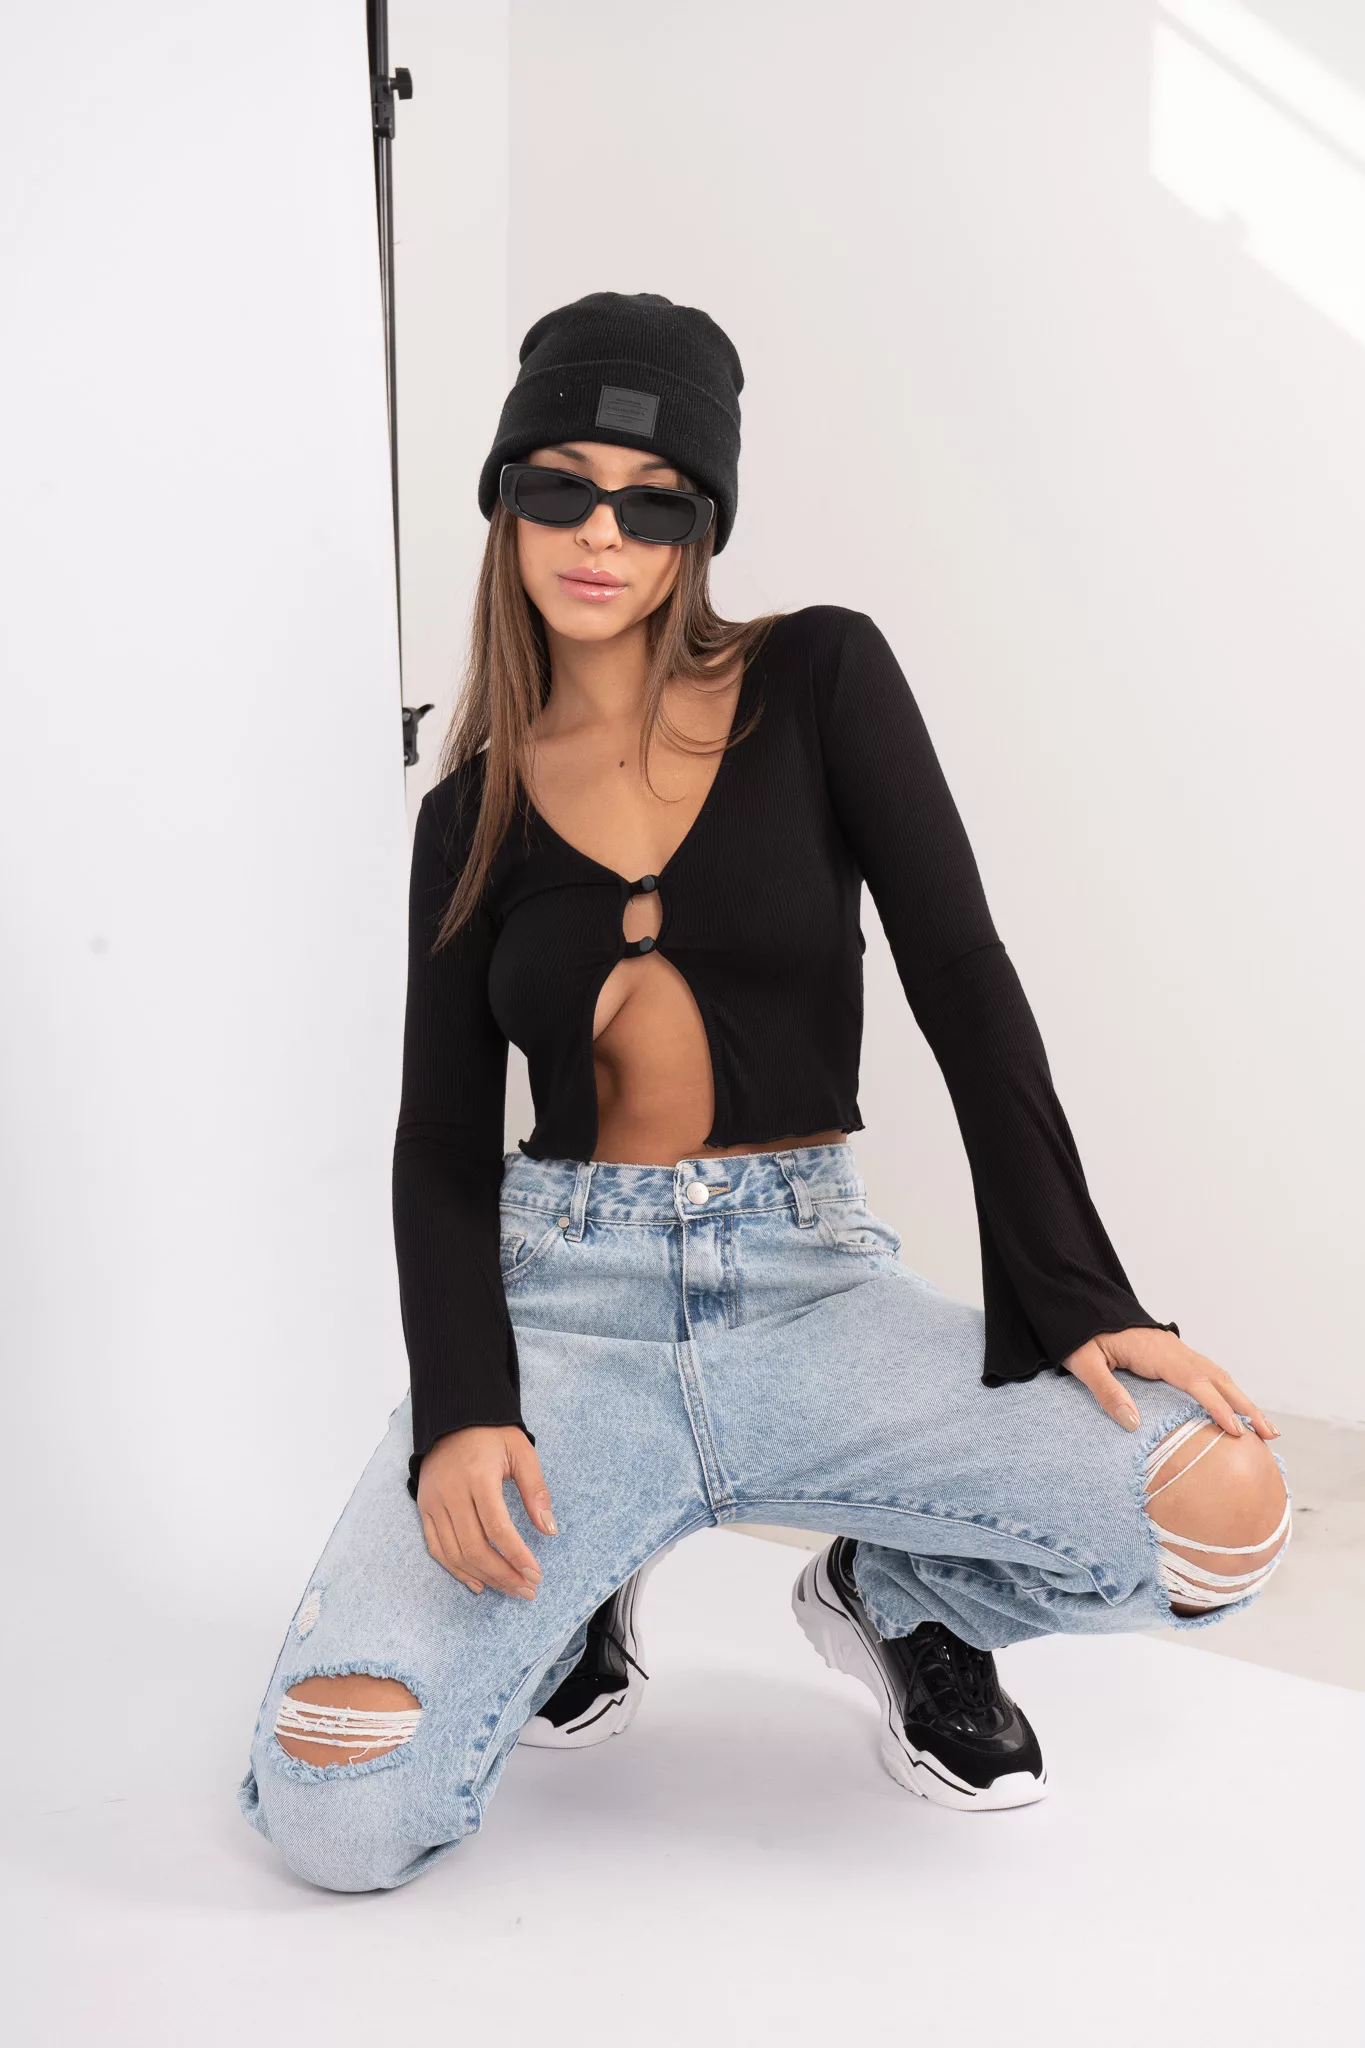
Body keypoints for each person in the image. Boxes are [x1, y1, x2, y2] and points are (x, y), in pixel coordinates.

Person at [238, 291, 1292, 1893]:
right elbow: (441, 1141)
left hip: (810, 1294)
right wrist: (464, 1407)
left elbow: (963, 975)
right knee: (335, 1809)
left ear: (701, 530)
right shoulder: (467, 818)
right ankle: (580, 1583)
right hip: (568, 1324)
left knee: (1222, 1512)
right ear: (504, 502)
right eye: (559, 489)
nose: (602, 533)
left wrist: (1077, 1292)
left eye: (652, 502)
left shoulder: (820, 676)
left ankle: (902, 1596)